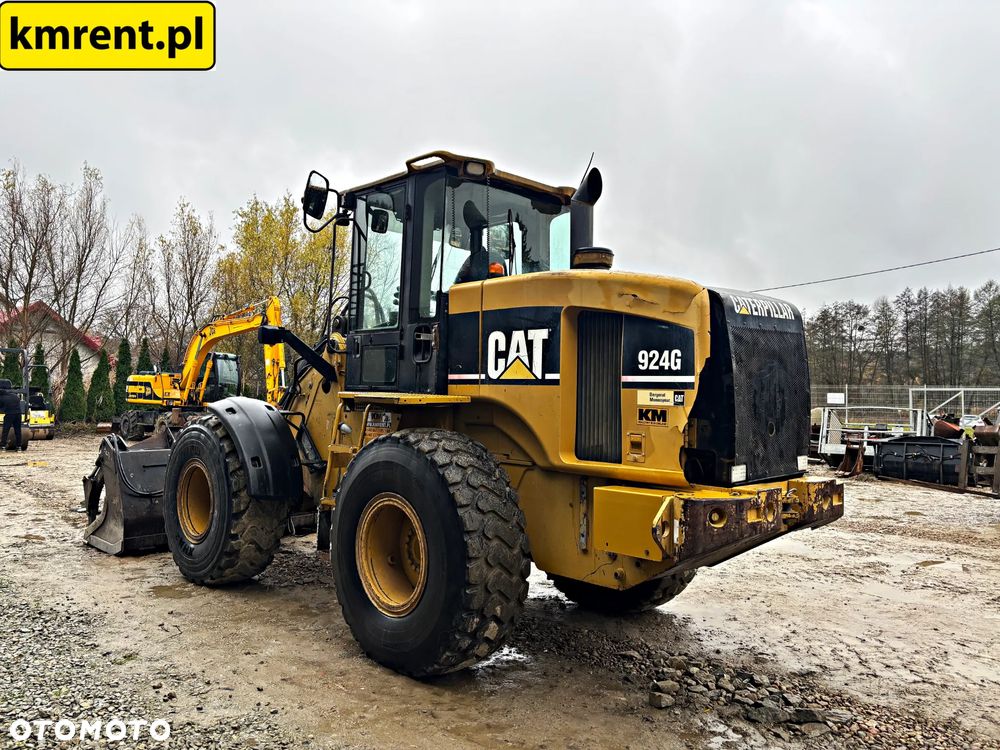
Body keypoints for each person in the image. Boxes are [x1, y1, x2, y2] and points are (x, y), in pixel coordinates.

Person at [0, 379, 25, 451]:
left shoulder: (1, 397)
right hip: (18, 414)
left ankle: (3, 446)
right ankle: (19, 447)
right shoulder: (15, 396)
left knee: (6, 430)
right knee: (18, 430)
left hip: (10, 414)